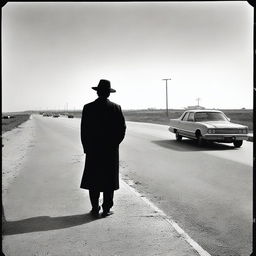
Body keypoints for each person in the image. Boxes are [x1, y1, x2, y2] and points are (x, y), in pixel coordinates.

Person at [80, 79, 126, 217]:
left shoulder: (88, 107)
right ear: (108, 93)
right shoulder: (116, 108)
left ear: (98, 92)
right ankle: (106, 209)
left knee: (93, 180)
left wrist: (87, 148)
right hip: (110, 151)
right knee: (108, 181)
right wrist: (114, 144)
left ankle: (95, 208)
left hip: (93, 151)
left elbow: (84, 131)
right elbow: (122, 129)